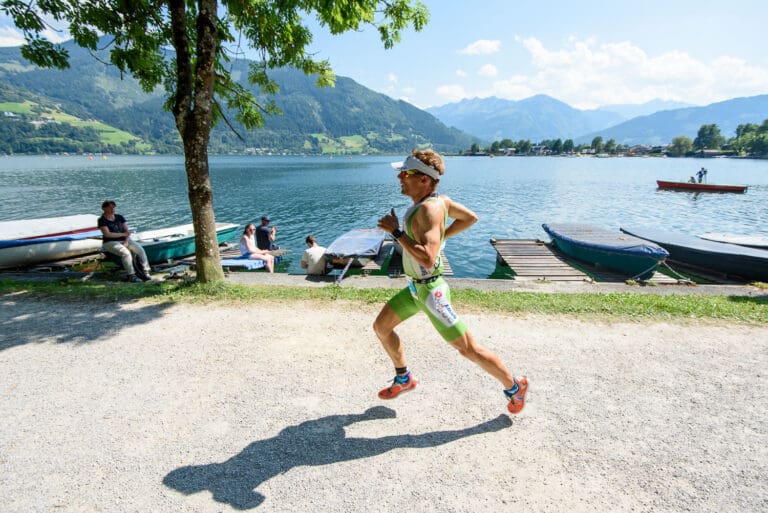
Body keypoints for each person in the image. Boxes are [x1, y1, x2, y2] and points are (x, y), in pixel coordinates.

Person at [373, 149, 528, 415]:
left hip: (431, 293)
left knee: (469, 349)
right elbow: (470, 218)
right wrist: (442, 236)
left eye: (406, 173)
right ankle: (404, 378)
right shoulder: (440, 202)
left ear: (424, 180)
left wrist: (396, 231)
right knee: (381, 327)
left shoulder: (429, 210)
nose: (399, 176)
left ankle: (515, 386)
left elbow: (427, 259)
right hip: (415, 290)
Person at [98, 200, 151, 282]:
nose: (112, 209)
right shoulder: (102, 220)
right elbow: (107, 234)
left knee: (140, 250)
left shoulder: (119, 217)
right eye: (110, 207)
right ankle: (131, 275)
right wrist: (123, 235)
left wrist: (126, 240)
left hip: (124, 240)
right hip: (109, 242)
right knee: (126, 253)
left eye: (113, 207)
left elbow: (127, 231)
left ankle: (145, 271)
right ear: (104, 208)